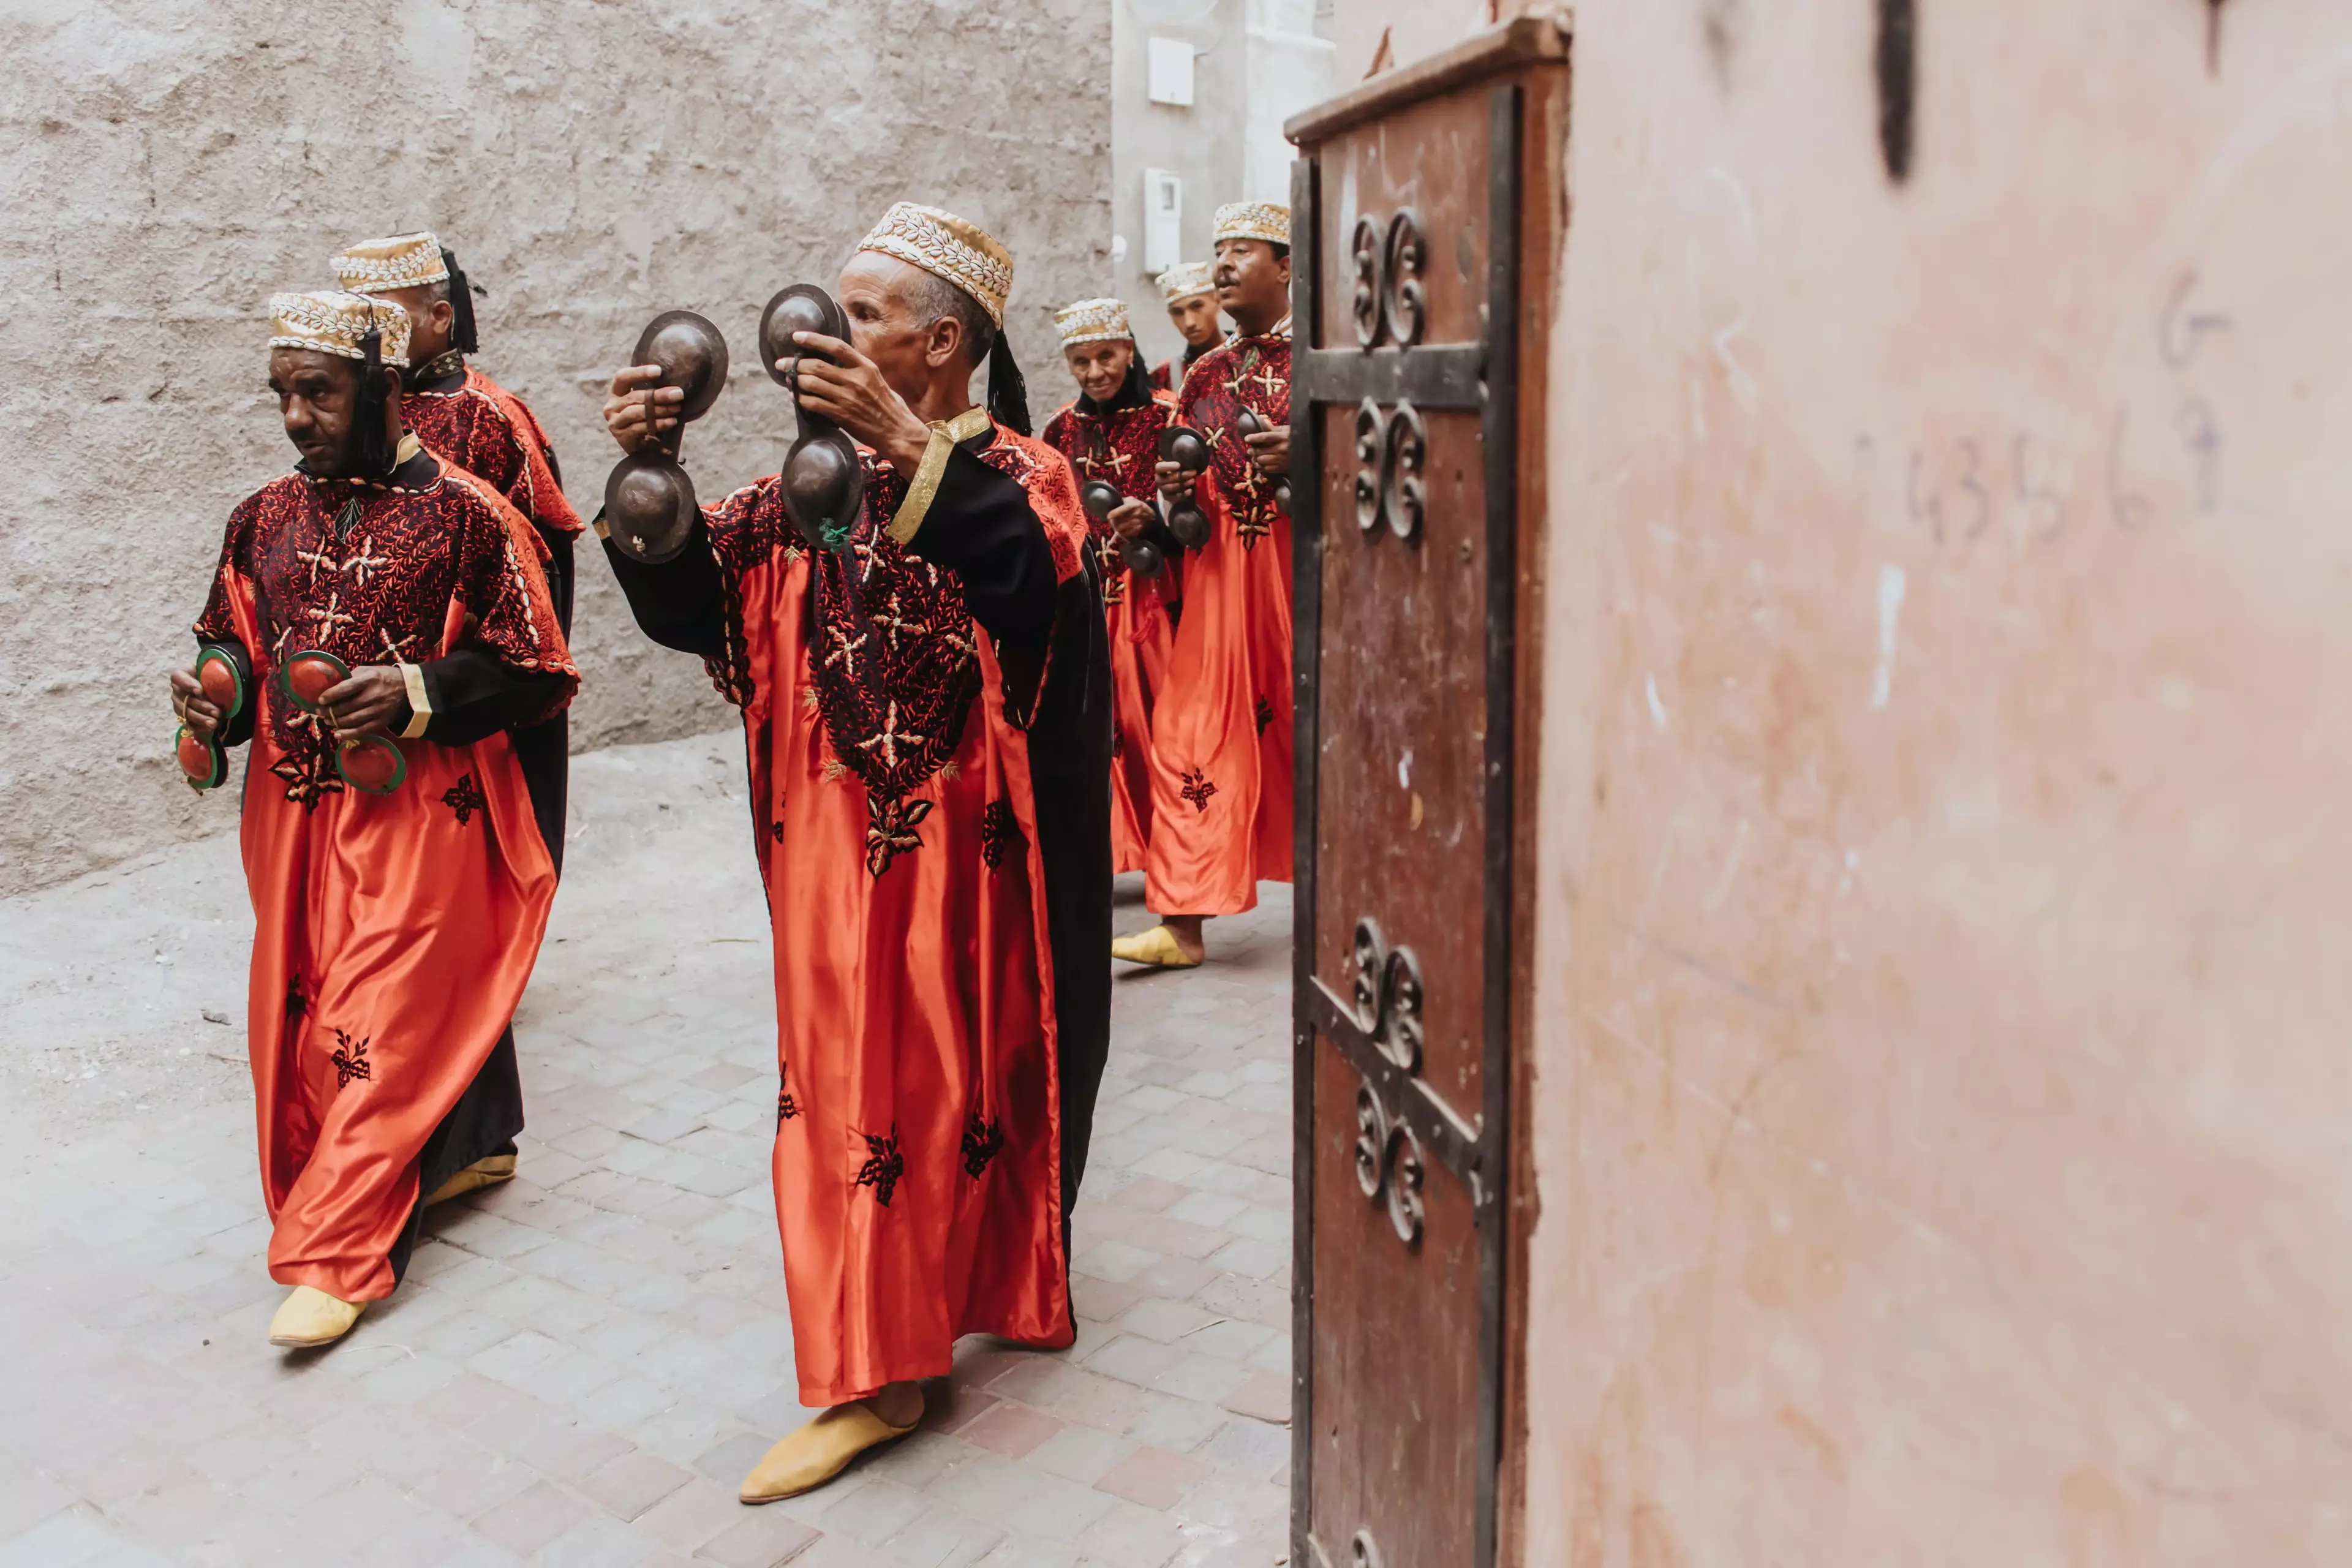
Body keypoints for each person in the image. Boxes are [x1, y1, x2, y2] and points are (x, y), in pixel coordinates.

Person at [593, 203, 1112, 1501]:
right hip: (830, 861)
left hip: (970, 871)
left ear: (942, 342)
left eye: (864, 313)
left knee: (959, 1089)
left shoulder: (1024, 472)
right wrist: (645, 477)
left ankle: (917, 1334)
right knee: (846, 1104)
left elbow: (1031, 591)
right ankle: (874, 1366)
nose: (827, 330)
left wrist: (908, 451)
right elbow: (698, 605)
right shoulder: (795, 491)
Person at [168, 290, 575, 1349]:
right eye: (284, 394)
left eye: (320, 390)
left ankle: (341, 1249)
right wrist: (214, 691)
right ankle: (446, 1154)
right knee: (303, 1014)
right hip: (290, 817)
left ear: (385, 387)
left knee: (377, 1016)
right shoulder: (262, 514)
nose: (297, 416)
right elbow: (233, 635)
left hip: (418, 819)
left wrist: (419, 692)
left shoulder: (473, 515)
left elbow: (538, 670)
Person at [333, 232, 582, 913]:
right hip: (370, 686)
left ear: (440, 318)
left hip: (477, 676)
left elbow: (549, 565)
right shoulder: (349, 418)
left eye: (387, 318)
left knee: (476, 866)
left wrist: (504, 682)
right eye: (359, 321)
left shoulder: (494, 418)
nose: (371, 338)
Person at [1110, 203, 1294, 969]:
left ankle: (1365, 902)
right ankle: (1182, 924)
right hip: (1221, 586)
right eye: (1217, 250)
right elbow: (1175, 498)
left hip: (1302, 577)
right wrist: (1167, 497)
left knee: (1321, 739)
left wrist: (1312, 454)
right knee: (1187, 735)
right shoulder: (1206, 375)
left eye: (1241, 250)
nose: (1222, 263)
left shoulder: (1328, 360)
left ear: (1285, 266)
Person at [1040, 296, 1179, 876]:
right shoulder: (1058, 429)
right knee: (1104, 730)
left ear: (1128, 349)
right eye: (1080, 361)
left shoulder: (1172, 416)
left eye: (1105, 356)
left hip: (1159, 600)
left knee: (1163, 727)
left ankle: (1173, 855)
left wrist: (1154, 519)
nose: (1094, 372)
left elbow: (1198, 514)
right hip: (1093, 605)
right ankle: (1120, 851)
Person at [1150, 260, 1225, 396]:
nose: (1189, 322)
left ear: (1218, 300)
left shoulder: (1252, 359)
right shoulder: (1164, 378)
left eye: (1197, 306)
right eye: (1178, 312)